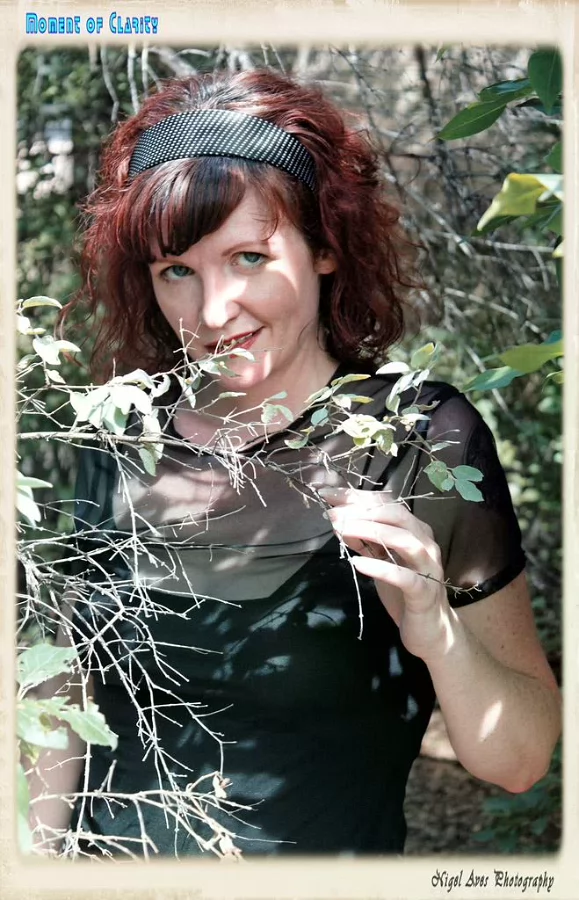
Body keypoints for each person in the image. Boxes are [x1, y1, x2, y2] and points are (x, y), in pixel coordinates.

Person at [28, 68, 561, 859]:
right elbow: (66, 687)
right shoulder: (122, 431)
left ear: (324, 247)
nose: (212, 311)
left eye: (248, 257)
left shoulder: (419, 439)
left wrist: (435, 630)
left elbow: (517, 761)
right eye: (177, 270)